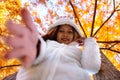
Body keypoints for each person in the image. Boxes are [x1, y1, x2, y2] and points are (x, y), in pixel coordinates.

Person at [4, 8, 101, 80]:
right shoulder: (46, 44)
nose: (65, 35)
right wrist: (36, 50)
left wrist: (89, 41)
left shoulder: (78, 52)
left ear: (75, 34)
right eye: (61, 31)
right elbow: (38, 53)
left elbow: (91, 67)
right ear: (55, 32)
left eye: (70, 32)